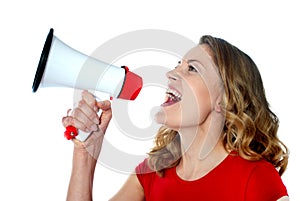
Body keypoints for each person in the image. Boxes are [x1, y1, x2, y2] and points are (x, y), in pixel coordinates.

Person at [62, 35, 289, 201]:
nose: (170, 74)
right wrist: (85, 151)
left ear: (224, 99)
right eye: (176, 66)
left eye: (192, 69)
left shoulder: (256, 178)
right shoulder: (153, 171)